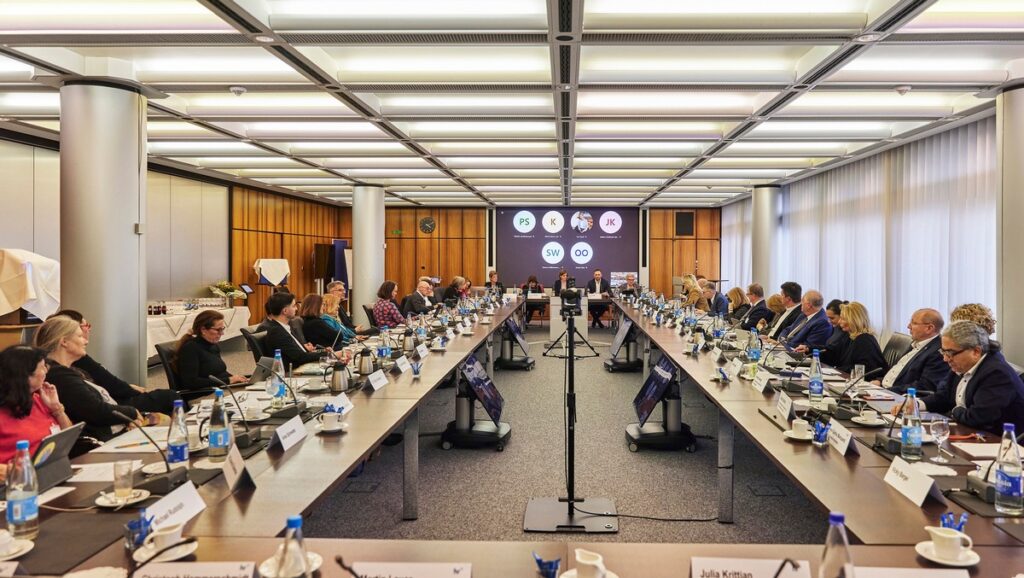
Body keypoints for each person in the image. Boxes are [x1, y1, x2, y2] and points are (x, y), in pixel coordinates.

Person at [35, 316, 154, 442]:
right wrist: (132, 412)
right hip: (101, 441)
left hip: (112, 430)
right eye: (80, 336)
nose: (85, 341)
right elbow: (95, 410)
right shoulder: (59, 375)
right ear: (64, 342)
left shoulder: (69, 371)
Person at [896, 320, 1024, 435]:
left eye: (950, 353)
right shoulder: (962, 365)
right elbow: (943, 397)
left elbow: (978, 418)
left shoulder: (996, 373)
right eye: (943, 352)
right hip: (968, 433)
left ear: (976, 351)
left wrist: (954, 411)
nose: (946, 359)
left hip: (997, 443)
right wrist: (916, 404)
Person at [49, 310, 179, 414]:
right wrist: (132, 408)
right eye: (84, 327)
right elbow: (99, 403)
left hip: (110, 402)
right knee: (169, 397)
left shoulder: (65, 367)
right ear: (64, 341)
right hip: (112, 404)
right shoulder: (64, 372)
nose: (86, 338)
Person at [0, 345, 75, 481]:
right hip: (16, 485)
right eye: (42, 366)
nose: (46, 370)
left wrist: (57, 409)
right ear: (25, 375)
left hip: (52, 475)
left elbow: (67, 439)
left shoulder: (38, 398)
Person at [173, 310, 248, 394]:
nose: (222, 333)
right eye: (218, 330)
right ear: (203, 330)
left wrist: (235, 378)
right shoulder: (190, 348)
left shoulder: (213, 345)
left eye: (222, 329)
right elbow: (190, 382)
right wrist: (228, 380)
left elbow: (220, 372)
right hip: (201, 394)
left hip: (218, 389)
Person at [878, 308, 948, 395]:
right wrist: (879, 382)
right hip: (885, 390)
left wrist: (886, 391)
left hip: (900, 397)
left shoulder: (938, 352)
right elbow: (899, 373)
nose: (908, 326)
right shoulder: (916, 344)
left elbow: (925, 386)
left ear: (929, 328)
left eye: (914, 323)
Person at [263, 292, 341, 368]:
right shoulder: (277, 332)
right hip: (293, 373)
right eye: (293, 306)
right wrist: (331, 354)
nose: (296, 309)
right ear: (285, 311)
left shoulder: (285, 327)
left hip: (301, 367)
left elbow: (298, 352)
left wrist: (323, 351)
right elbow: (301, 357)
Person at [831, 302, 887, 375]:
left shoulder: (864, 340)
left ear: (854, 320)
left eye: (843, 319)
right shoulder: (850, 337)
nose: (839, 322)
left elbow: (863, 369)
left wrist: (837, 370)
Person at [819, 299, 850, 367]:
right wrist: (808, 349)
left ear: (841, 315)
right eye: (828, 318)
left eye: (832, 318)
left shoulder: (848, 333)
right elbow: (828, 348)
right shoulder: (835, 328)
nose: (829, 321)